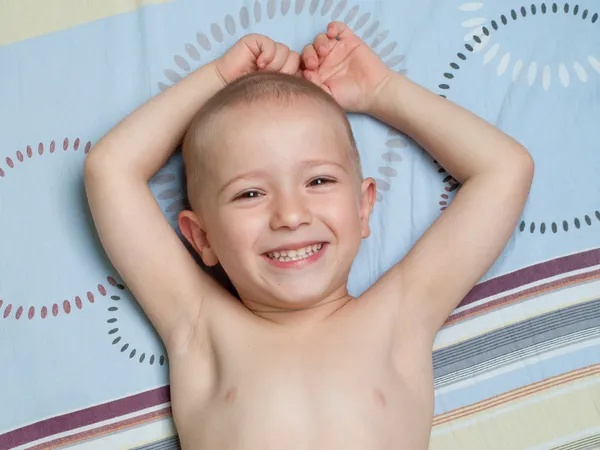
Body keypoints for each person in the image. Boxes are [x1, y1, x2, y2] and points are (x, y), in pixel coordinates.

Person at [84, 22, 534, 450]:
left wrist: (383, 92)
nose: (291, 215)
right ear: (202, 238)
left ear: (363, 208)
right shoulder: (200, 326)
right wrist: (217, 78)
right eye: (250, 193)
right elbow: (110, 169)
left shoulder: (403, 312)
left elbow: (504, 170)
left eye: (318, 181)